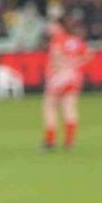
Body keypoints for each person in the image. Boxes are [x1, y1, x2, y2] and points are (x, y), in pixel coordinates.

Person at [40, 18, 89, 152]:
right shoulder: (75, 40)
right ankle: (69, 141)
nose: (50, 28)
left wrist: (62, 66)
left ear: (60, 26)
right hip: (74, 76)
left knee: (49, 107)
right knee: (70, 107)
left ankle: (50, 141)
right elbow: (87, 56)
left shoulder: (58, 39)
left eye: (52, 25)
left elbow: (56, 57)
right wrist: (74, 65)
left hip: (59, 76)